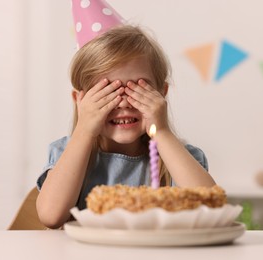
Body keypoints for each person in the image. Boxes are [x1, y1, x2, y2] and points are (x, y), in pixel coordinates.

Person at [36, 25, 216, 229]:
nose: (123, 103)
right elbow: (51, 216)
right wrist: (84, 130)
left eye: (138, 88)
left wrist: (162, 133)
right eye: (107, 91)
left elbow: (210, 208)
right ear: (80, 101)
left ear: (161, 93)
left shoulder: (180, 158)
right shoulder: (66, 153)